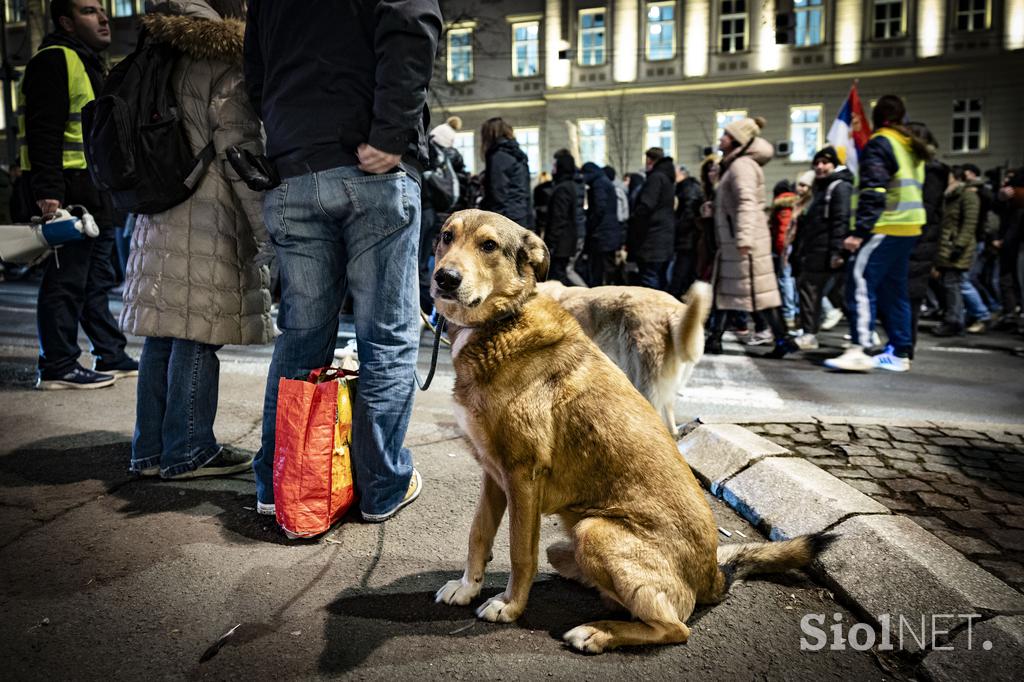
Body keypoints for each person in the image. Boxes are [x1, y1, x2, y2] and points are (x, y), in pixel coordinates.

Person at [244, 0, 442, 520]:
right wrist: (392, 131)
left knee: (302, 337)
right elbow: (411, 26)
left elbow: (257, 71)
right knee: (388, 334)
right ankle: (382, 488)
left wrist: (289, 143)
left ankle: (278, 484)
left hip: (294, 168)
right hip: (369, 166)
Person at [122, 0, 270, 479]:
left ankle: (149, 451)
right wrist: (269, 231)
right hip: (207, 209)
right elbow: (240, 151)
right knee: (197, 333)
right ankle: (188, 449)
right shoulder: (223, 59)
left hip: (157, 207)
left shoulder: (154, 52)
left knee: (164, 333)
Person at [18, 0, 137, 389]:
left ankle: (110, 353)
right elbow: (44, 132)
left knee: (94, 281)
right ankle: (57, 364)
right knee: (65, 282)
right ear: (67, 22)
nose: (103, 17)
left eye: (103, 9)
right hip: (68, 195)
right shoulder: (54, 60)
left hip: (93, 193)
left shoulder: (84, 61)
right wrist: (48, 194)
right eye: (89, 11)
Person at [825, 95, 932, 373]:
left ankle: (859, 348)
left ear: (877, 117)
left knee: (859, 280)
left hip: (885, 224)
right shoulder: (910, 145)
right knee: (894, 289)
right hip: (909, 225)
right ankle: (899, 352)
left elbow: (874, 190)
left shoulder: (881, 143)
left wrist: (859, 232)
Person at [706, 117, 797, 358]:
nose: (720, 139)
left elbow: (747, 203)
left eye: (725, 135)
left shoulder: (741, 166)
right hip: (735, 239)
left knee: (759, 293)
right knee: (727, 290)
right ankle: (715, 338)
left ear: (737, 141)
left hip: (744, 241)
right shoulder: (734, 165)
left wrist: (744, 238)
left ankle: (783, 338)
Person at [791, 146, 854, 350]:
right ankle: (862, 333)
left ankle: (811, 335)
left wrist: (837, 251)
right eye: (817, 163)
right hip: (816, 249)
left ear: (834, 165)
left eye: (825, 163)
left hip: (827, 249)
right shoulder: (821, 188)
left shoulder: (838, 187)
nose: (820, 167)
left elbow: (840, 220)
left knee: (828, 292)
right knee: (821, 292)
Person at [905, 122, 946, 360]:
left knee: (910, 295)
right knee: (902, 295)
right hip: (912, 237)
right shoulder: (919, 169)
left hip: (919, 241)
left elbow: (928, 211)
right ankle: (900, 344)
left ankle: (904, 347)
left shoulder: (932, 171)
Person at [931, 168, 981, 337]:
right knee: (949, 285)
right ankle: (954, 319)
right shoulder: (949, 197)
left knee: (953, 285)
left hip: (957, 247)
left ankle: (955, 321)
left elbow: (969, 224)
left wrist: (959, 246)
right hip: (947, 246)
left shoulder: (967, 196)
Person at [627, 148, 676, 290]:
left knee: (650, 280)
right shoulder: (667, 178)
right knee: (660, 278)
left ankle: (655, 312)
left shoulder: (655, 178)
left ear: (649, 160)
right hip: (664, 239)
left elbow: (646, 206)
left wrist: (634, 220)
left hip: (651, 240)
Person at [479, 117, 532, 228]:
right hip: (521, 214)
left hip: (506, 218)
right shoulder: (518, 154)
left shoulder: (498, 156)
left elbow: (498, 194)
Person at [581, 161, 622, 287]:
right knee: (608, 266)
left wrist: (590, 223)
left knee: (600, 268)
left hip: (602, 233)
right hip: (608, 232)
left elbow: (599, 208)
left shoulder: (598, 183)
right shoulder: (604, 181)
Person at [545, 151, 581, 285]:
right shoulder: (569, 185)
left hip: (561, 243)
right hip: (565, 241)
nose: (552, 170)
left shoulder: (562, 188)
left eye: (555, 166)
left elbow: (559, 218)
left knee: (558, 277)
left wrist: (551, 242)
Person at [669, 165, 704, 297]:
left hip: (688, 238)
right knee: (685, 272)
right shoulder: (686, 187)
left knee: (681, 272)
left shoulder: (687, 188)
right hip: (688, 237)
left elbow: (687, 214)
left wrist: (677, 227)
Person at [768, 179, 798, 329]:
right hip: (791, 248)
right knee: (790, 280)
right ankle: (793, 312)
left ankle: (789, 314)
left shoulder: (783, 206)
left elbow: (782, 232)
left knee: (785, 280)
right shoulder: (794, 204)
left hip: (785, 249)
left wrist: (781, 250)